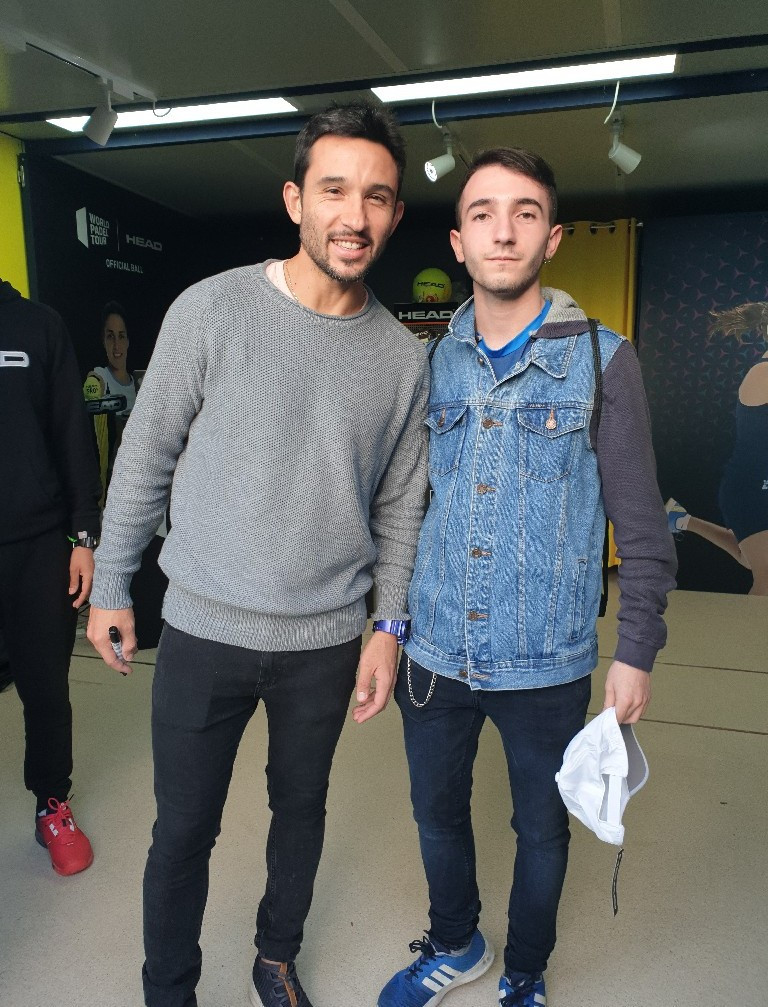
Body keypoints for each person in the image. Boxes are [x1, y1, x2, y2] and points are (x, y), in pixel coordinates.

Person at [86, 102, 429, 1007]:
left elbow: (401, 507)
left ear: (395, 214)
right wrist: (111, 581)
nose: (354, 214)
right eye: (334, 190)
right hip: (204, 629)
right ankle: (170, 990)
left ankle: (275, 958)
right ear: (294, 200)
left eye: (377, 196)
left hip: (324, 641)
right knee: (183, 830)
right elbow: (146, 455)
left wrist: (387, 627)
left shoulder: (402, 360)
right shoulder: (211, 310)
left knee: (301, 815)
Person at [378, 149, 676, 1007]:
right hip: (434, 651)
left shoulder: (604, 360)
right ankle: (457, 940)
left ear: (552, 236)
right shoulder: (430, 364)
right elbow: (403, 509)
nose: (502, 230)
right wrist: (388, 624)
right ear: (458, 241)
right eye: (482, 213)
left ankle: (525, 971)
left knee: (541, 828)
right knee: (436, 813)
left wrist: (636, 649)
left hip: (546, 658)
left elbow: (642, 525)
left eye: (524, 212)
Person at [0, 278, 101, 875]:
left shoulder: (38, 326)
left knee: (44, 686)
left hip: (38, 544)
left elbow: (71, 433)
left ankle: (51, 804)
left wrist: (83, 536)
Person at [666, 301, 768, 595]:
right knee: (765, 575)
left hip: (759, 485)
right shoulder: (762, 373)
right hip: (751, 489)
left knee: (749, 557)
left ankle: (679, 519)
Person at [83, 301, 136, 500]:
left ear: (128, 341)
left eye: (121, 336)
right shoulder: (100, 376)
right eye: (110, 336)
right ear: (103, 340)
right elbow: (92, 385)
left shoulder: (140, 384)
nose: (116, 345)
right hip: (113, 483)